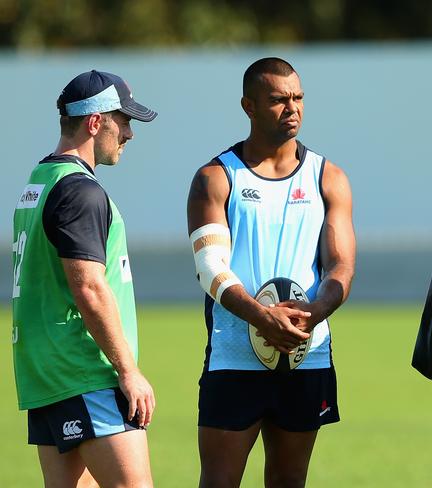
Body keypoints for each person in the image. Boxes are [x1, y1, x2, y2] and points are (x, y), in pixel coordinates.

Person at [186, 57, 355, 488]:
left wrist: (315, 312)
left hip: (305, 352)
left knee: (288, 480)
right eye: (278, 100)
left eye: (298, 98)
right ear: (249, 106)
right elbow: (209, 268)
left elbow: (341, 266)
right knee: (219, 481)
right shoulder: (215, 177)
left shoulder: (328, 177)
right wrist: (263, 318)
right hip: (234, 356)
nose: (292, 108)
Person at [12, 70, 158, 487]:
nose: (129, 133)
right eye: (124, 121)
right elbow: (90, 288)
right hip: (86, 373)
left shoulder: (38, 182)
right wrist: (128, 371)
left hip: (45, 376)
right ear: (96, 123)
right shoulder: (81, 190)